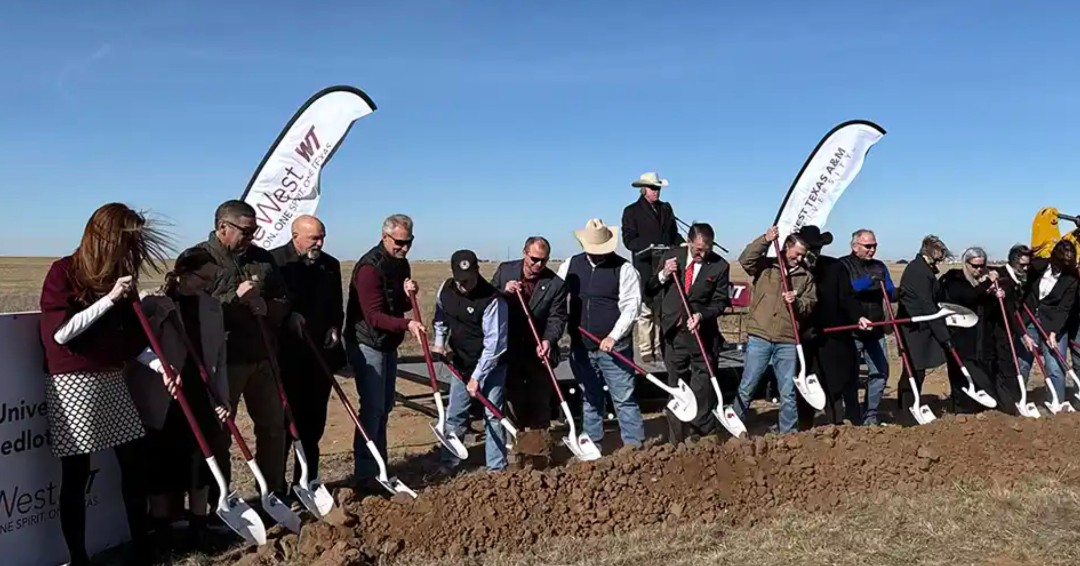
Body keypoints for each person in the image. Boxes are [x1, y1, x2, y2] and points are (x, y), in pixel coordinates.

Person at [38, 203, 169, 565]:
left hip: (111, 378)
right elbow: (62, 334)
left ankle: (142, 543)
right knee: (77, 474)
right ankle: (78, 557)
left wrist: (160, 366)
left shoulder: (121, 275)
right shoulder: (64, 272)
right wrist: (110, 299)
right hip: (73, 383)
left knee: (134, 461)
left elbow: (130, 341)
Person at [126, 247, 230, 553]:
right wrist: (159, 314)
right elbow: (137, 345)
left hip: (201, 395)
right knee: (162, 466)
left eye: (213, 280)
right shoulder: (154, 302)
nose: (208, 286)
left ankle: (198, 531)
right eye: (204, 278)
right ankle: (162, 534)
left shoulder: (212, 307)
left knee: (200, 464)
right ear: (184, 273)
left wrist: (222, 398)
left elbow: (219, 359)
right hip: (165, 398)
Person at [195, 200, 291, 502]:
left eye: (255, 231)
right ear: (223, 227)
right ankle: (220, 500)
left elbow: (283, 299)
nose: (252, 237)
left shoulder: (261, 259)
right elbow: (190, 310)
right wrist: (233, 299)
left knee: (274, 428)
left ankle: (272, 491)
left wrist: (269, 307)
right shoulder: (197, 260)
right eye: (246, 232)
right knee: (221, 432)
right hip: (223, 361)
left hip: (263, 357)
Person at [343, 214, 425, 492]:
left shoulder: (400, 264)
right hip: (368, 343)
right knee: (373, 408)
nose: (404, 248)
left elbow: (394, 304)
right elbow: (374, 316)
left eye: (409, 242)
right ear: (385, 237)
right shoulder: (369, 268)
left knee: (385, 407)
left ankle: (381, 465)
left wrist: (407, 294)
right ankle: (366, 473)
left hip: (387, 342)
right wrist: (408, 324)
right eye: (399, 242)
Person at [270, 215, 344, 494]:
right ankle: (276, 489)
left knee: (312, 425)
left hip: (319, 357)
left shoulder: (330, 265)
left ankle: (307, 482)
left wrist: (335, 327)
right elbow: (269, 304)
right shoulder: (276, 262)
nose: (320, 243)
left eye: (322, 237)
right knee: (284, 425)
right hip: (286, 357)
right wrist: (287, 317)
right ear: (295, 236)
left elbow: (336, 305)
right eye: (314, 238)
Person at [559, 218, 646, 449]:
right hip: (581, 345)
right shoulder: (571, 265)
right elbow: (557, 297)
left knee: (624, 398)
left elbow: (631, 308)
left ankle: (634, 447)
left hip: (614, 348)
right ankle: (592, 444)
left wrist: (613, 336)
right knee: (589, 397)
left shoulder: (625, 269)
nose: (597, 255)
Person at [644, 222, 731, 443]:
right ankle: (677, 438)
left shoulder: (720, 266)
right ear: (689, 242)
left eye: (707, 249)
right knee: (676, 386)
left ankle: (701, 432)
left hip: (702, 335)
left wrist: (702, 315)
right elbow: (651, 288)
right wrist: (664, 274)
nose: (702, 254)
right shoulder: (672, 256)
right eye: (698, 250)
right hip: (674, 333)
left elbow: (720, 302)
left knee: (703, 385)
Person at [733, 225, 819, 434]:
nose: (799, 259)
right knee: (748, 385)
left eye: (802, 255)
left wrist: (797, 302)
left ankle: (788, 433)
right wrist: (765, 239)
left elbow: (810, 304)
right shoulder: (766, 266)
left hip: (787, 339)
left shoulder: (805, 276)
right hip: (760, 335)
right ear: (787, 247)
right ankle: (735, 426)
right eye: (796, 254)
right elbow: (745, 259)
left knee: (787, 390)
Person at [490, 236, 567, 469]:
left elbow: (557, 317)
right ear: (524, 253)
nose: (538, 265)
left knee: (540, 401)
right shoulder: (505, 271)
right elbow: (489, 301)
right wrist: (503, 292)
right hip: (510, 350)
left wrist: (548, 340)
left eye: (543, 261)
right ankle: (517, 449)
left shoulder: (555, 284)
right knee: (512, 401)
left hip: (538, 352)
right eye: (534, 260)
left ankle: (540, 452)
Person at [433, 250, 509, 472]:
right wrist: (439, 342)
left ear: (477, 271)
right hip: (461, 363)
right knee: (455, 414)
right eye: (460, 280)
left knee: (492, 414)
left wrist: (477, 377)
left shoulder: (492, 300)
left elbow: (495, 345)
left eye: (468, 280)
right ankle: (449, 463)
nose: (463, 285)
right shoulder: (446, 289)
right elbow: (440, 317)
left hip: (491, 365)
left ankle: (496, 468)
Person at [801, 229, 871, 426]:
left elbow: (847, 297)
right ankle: (802, 426)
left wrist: (859, 316)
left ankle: (837, 424)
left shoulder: (834, 267)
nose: (815, 251)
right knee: (804, 383)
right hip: (803, 337)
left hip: (833, 336)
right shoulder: (791, 268)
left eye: (818, 247)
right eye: (811, 247)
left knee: (836, 382)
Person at [621, 172, 684, 364]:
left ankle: (659, 346)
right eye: (653, 188)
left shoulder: (666, 209)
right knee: (646, 309)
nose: (656, 192)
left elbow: (673, 233)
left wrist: (681, 244)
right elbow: (629, 240)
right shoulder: (631, 211)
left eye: (658, 188)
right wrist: (651, 244)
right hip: (645, 265)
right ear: (643, 189)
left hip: (665, 263)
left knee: (662, 308)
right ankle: (646, 349)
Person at [837, 229, 895, 425]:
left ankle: (870, 414)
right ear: (855, 246)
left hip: (876, 329)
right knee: (850, 376)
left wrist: (893, 290)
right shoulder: (842, 265)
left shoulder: (879, 266)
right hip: (852, 330)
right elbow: (845, 290)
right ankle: (852, 415)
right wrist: (868, 281)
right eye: (868, 246)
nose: (872, 250)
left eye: (874, 246)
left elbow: (890, 291)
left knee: (881, 372)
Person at [895, 235, 952, 421]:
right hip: (913, 328)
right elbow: (928, 305)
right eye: (939, 255)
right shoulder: (919, 271)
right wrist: (944, 336)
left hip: (920, 326)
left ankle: (909, 406)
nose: (941, 259)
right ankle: (908, 410)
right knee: (913, 370)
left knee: (915, 370)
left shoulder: (924, 269)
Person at [938, 247, 1001, 413]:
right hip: (961, 340)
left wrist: (996, 295)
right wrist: (989, 282)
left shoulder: (985, 282)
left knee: (985, 378)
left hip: (983, 341)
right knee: (961, 378)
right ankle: (961, 411)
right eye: (975, 266)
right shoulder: (954, 279)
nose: (979, 269)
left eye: (982, 265)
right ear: (966, 264)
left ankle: (983, 412)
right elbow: (970, 296)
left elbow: (989, 309)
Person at [1018, 239, 1078, 406]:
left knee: (1055, 367)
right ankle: (1017, 399)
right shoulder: (1038, 267)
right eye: (1061, 262)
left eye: (1068, 263)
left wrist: (1053, 332)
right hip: (1029, 319)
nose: (1063, 267)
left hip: (1053, 323)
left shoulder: (1071, 280)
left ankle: (1056, 403)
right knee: (1022, 363)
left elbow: (1064, 308)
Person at [991, 244, 1034, 412]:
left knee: (1009, 364)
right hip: (998, 329)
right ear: (1013, 261)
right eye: (1022, 264)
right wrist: (1024, 334)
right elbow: (1008, 310)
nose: (1025, 268)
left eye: (1027, 264)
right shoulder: (1001, 277)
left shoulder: (1020, 277)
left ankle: (1013, 399)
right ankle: (1007, 404)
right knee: (1004, 365)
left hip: (1010, 326)